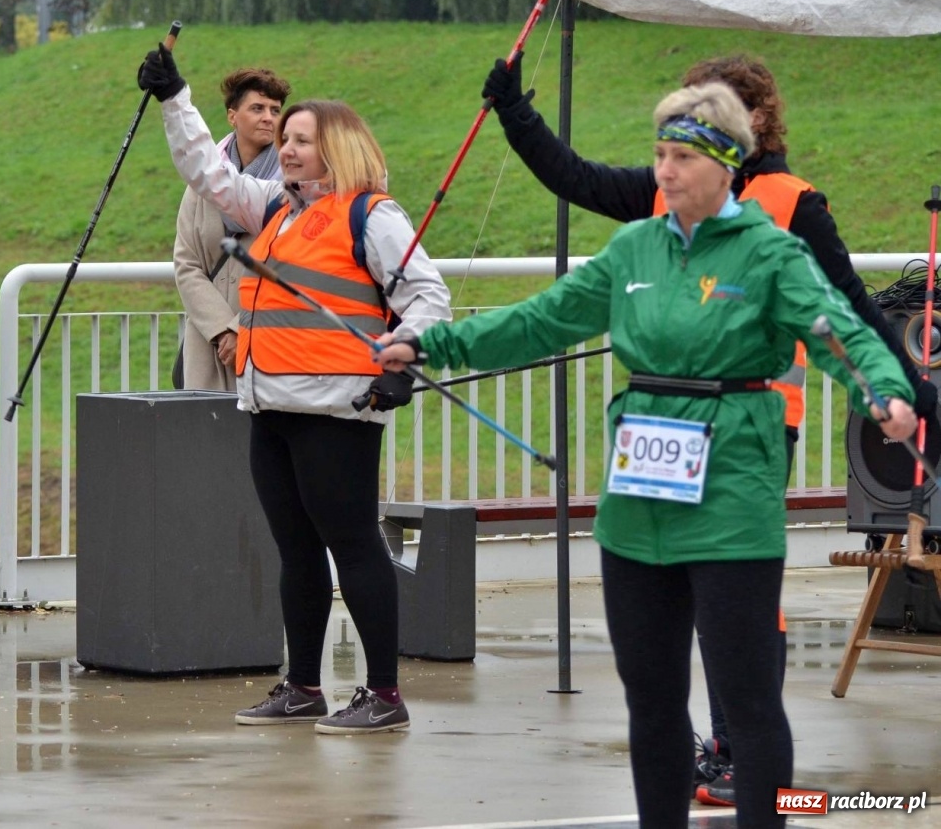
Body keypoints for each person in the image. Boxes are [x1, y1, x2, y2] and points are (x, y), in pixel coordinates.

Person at [376, 81, 917, 827]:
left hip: (732, 495)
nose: (664, 171)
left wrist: (883, 392)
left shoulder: (770, 252)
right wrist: (431, 342)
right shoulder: (635, 245)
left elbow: (841, 333)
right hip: (638, 506)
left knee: (749, 697)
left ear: (727, 163)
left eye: (682, 157)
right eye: (659, 153)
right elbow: (542, 320)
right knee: (651, 697)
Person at [138, 43, 452, 734]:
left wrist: (400, 359)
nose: (286, 149)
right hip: (272, 409)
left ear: (335, 150)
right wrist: (175, 101)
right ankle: (303, 685)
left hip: (337, 411)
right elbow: (209, 173)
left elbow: (428, 296)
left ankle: (384, 695)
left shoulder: (373, 215)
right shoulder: (275, 210)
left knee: (354, 546)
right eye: (283, 140)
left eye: (301, 140)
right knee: (298, 550)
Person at [174, 67, 289, 391]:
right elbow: (187, 264)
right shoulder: (202, 183)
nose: (268, 118)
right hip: (208, 342)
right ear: (232, 116)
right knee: (206, 436)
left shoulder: (293, 184)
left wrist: (242, 328)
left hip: (266, 337)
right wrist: (221, 330)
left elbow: (294, 266)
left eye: (275, 110)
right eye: (257, 108)